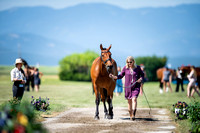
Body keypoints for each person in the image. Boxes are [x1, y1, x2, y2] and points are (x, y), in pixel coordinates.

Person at [109, 56, 144, 120]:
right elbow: (120, 76)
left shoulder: (138, 68)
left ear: (133, 61)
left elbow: (142, 75)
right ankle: (130, 114)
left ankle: (133, 114)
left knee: (134, 99)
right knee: (129, 101)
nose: (129, 63)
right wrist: (114, 77)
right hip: (128, 87)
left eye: (130, 62)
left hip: (136, 86)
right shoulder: (125, 68)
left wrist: (141, 79)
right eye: (128, 62)